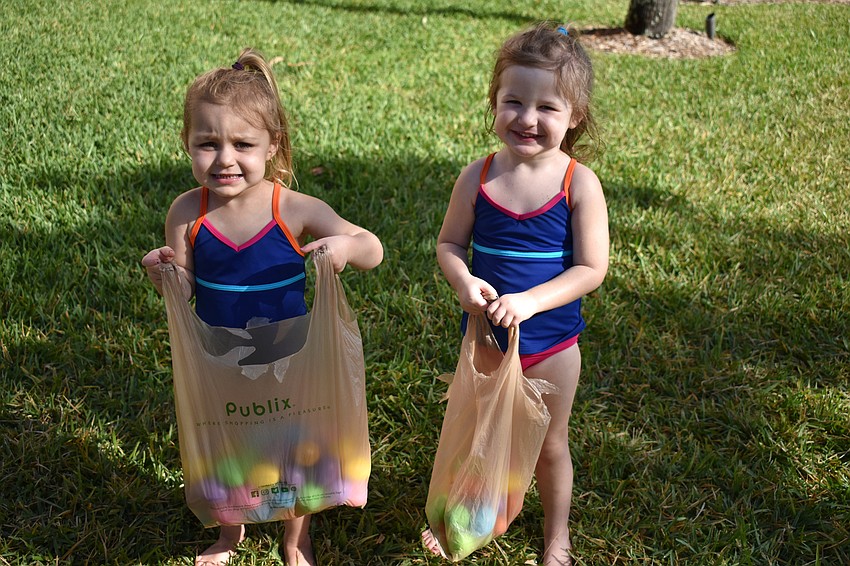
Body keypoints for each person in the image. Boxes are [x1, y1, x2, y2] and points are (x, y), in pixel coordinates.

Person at [142, 48, 383, 566]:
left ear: (272, 145)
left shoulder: (291, 208)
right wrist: (164, 273)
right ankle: (231, 534)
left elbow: (372, 247)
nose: (225, 158)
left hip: (290, 359)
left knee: (295, 450)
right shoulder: (187, 212)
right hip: (221, 358)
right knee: (231, 444)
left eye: (243, 144)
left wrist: (343, 248)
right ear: (186, 144)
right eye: (207, 144)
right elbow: (183, 292)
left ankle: (297, 539)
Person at [424, 22, 609, 566]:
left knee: (550, 444)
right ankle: (475, 510)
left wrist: (529, 301)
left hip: (551, 345)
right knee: (482, 434)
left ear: (574, 116)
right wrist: (463, 281)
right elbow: (450, 243)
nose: (528, 119)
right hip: (485, 338)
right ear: (495, 103)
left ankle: (557, 537)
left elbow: (591, 268)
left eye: (547, 108)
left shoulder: (579, 182)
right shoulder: (476, 176)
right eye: (514, 102)